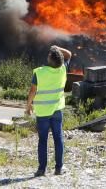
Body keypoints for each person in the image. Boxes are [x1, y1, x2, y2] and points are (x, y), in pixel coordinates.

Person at [27, 45, 72, 177]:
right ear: (60, 61)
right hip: (57, 110)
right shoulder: (63, 69)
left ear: (49, 59)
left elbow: (32, 91)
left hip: (43, 113)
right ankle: (58, 168)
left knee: (43, 140)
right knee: (58, 139)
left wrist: (28, 106)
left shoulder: (39, 72)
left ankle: (42, 170)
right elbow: (69, 54)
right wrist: (57, 48)